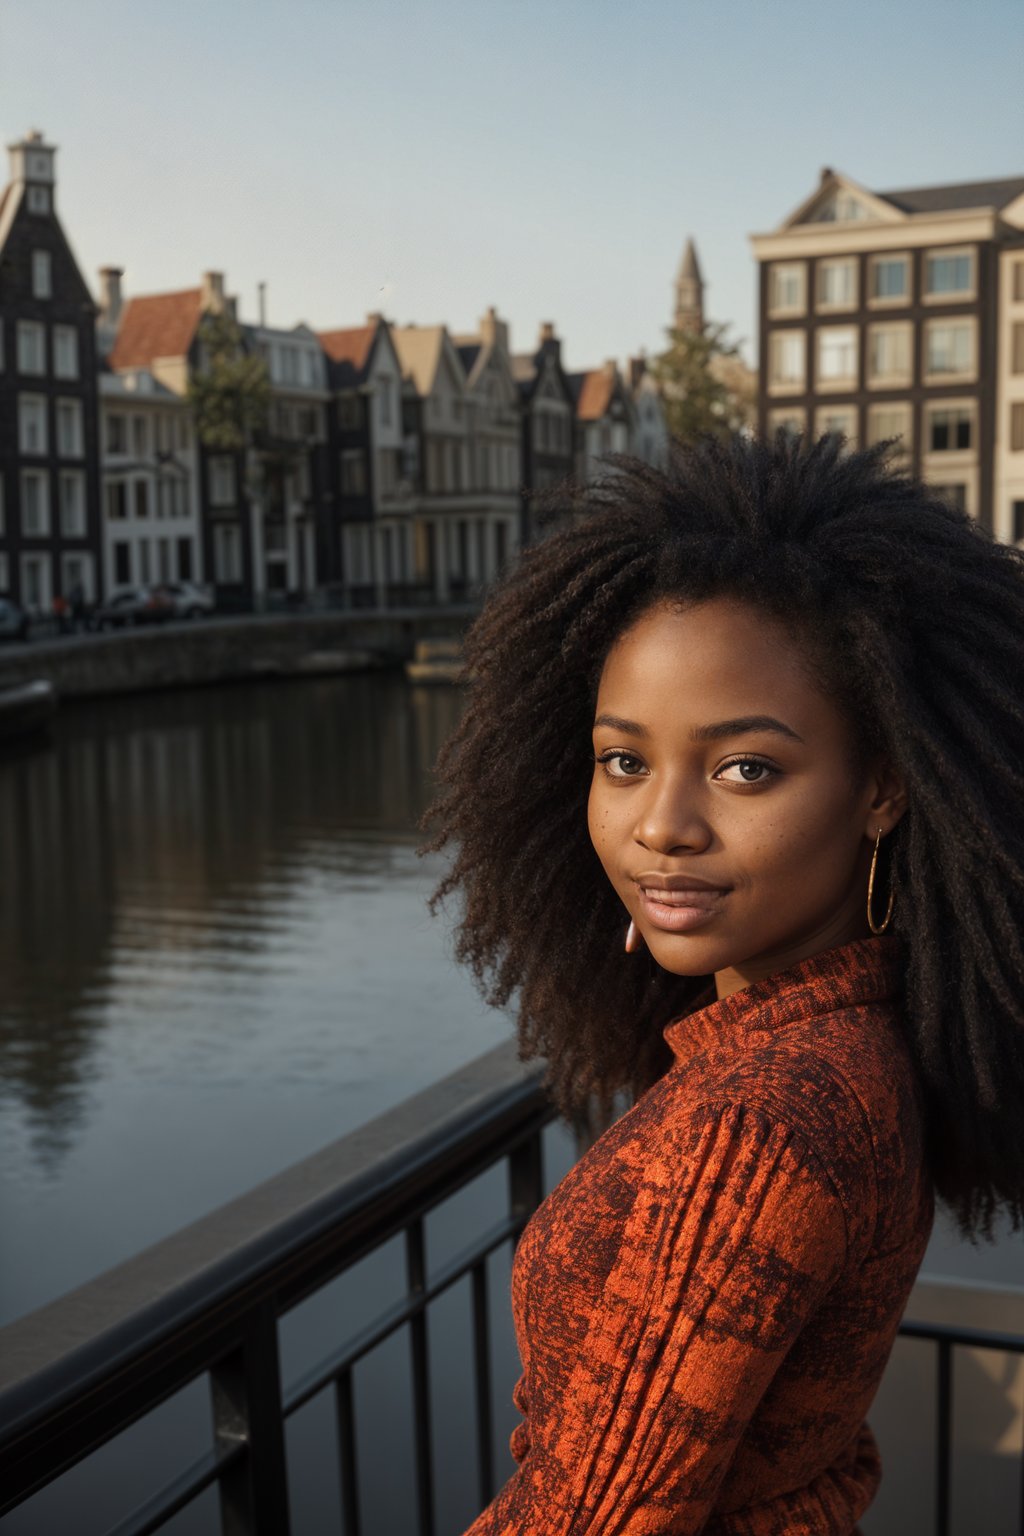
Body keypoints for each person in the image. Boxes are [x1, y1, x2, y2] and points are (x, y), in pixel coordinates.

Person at [424, 433, 1024, 1535]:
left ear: (884, 787)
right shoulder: (858, 1043)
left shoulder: (755, 1127)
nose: (660, 826)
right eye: (623, 759)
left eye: (745, 767)